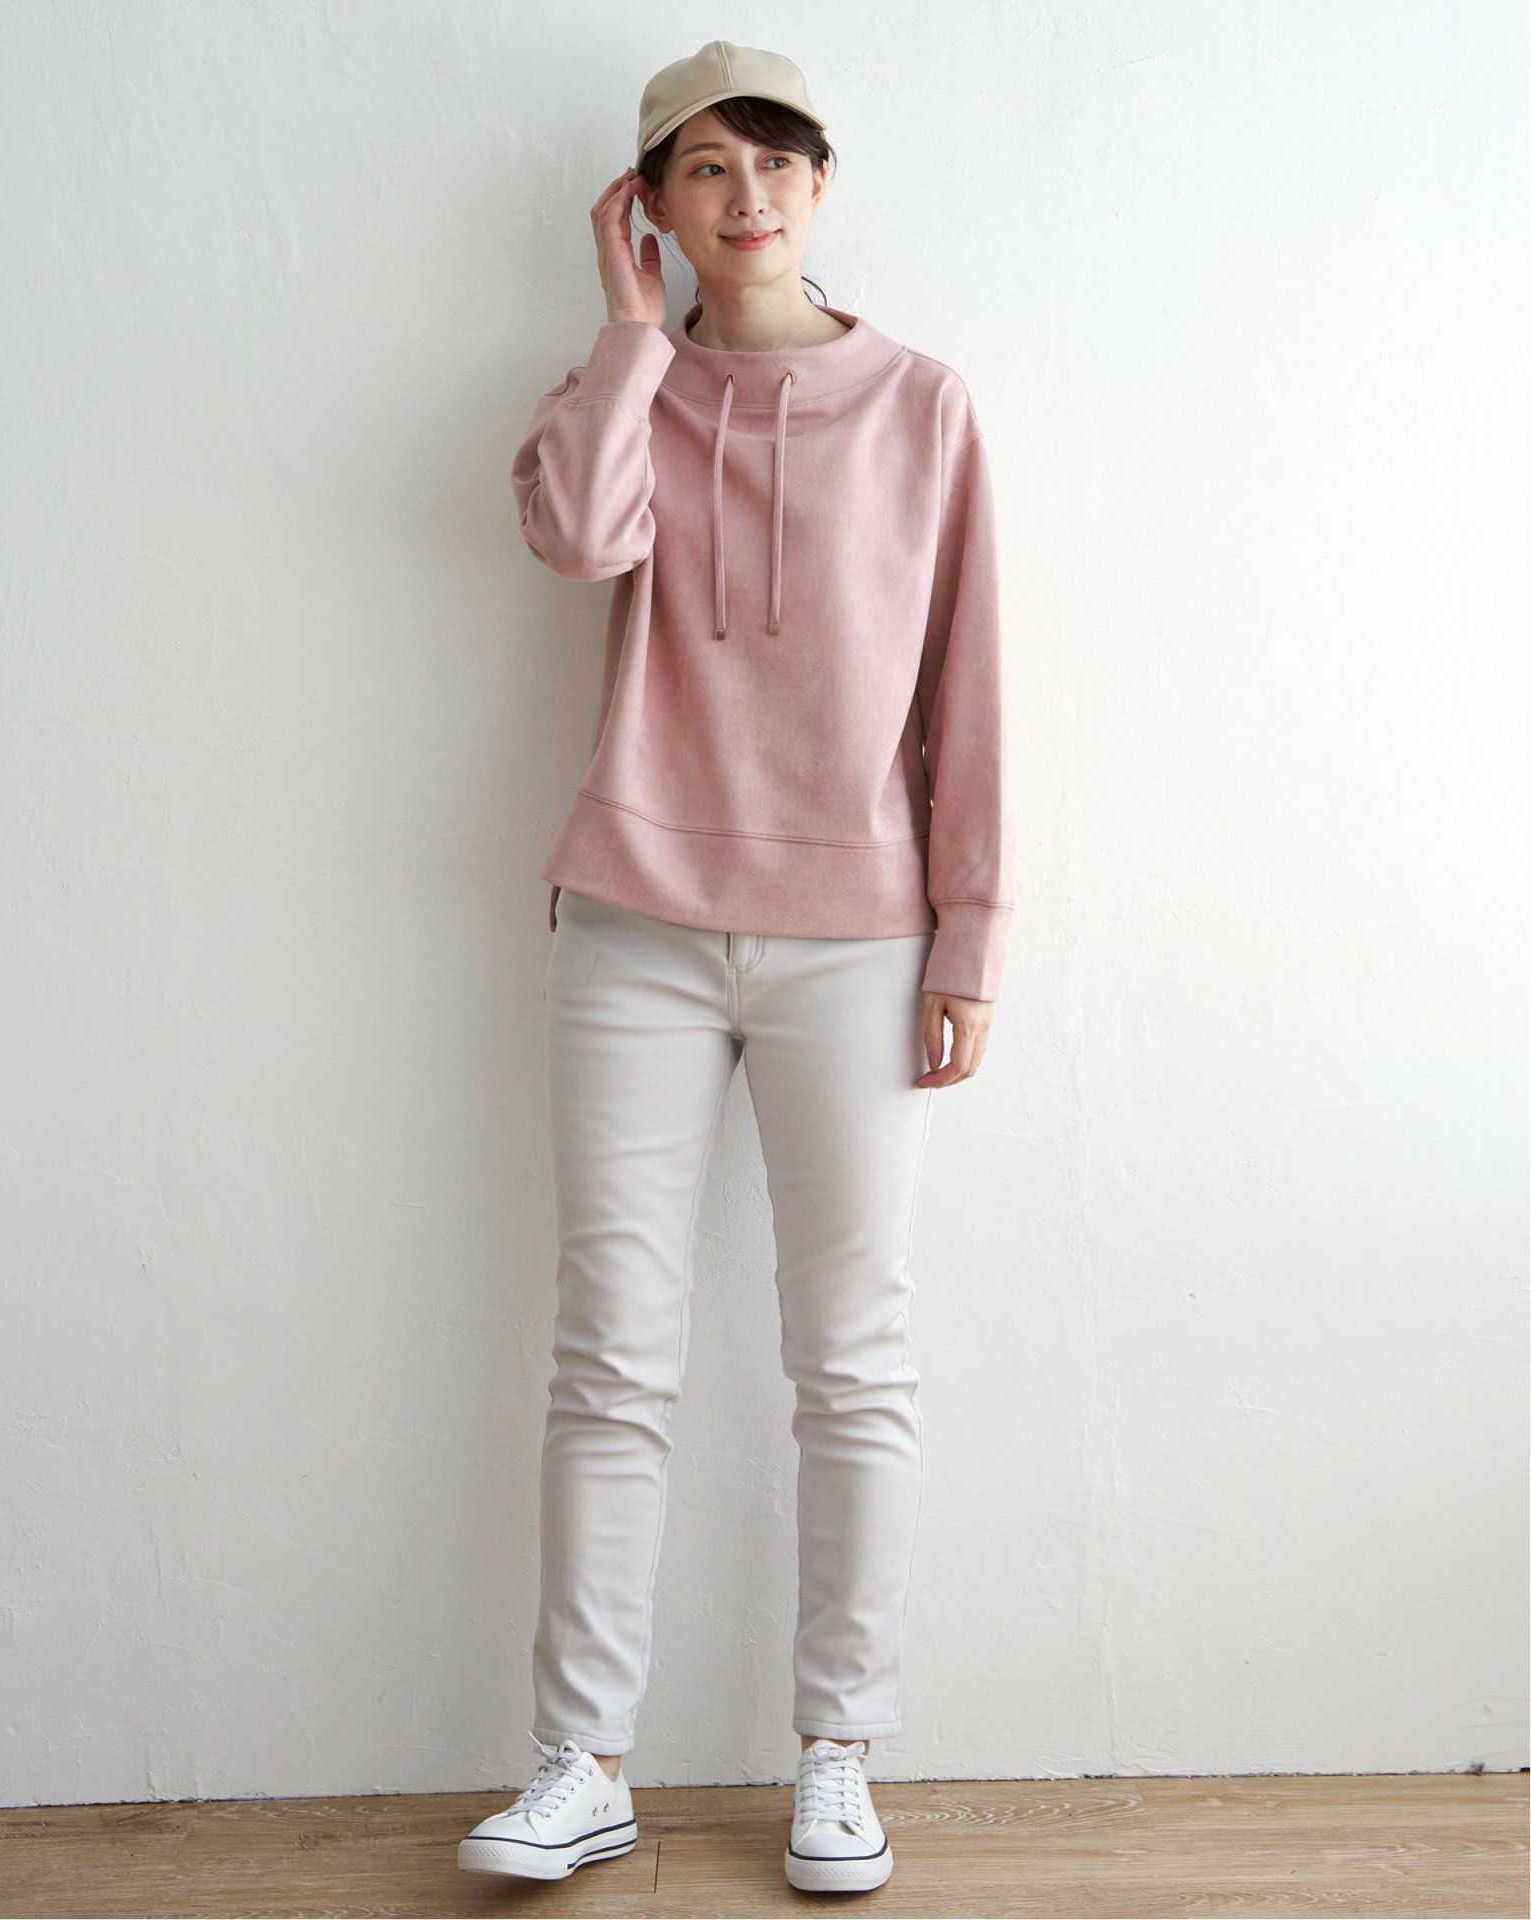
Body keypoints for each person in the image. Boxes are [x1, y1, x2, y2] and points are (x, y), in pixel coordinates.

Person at [458, 40, 1013, 1897]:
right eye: (703, 168)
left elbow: (969, 688)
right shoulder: (615, 391)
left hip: (860, 937)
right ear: (651, 206)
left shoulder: (924, 405)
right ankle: (584, 1761)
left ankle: (838, 1755)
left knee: (853, 1362)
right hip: (632, 921)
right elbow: (575, 538)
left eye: (776, 160)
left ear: (823, 182)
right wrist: (632, 337)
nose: (748, 195)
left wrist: (970, 929)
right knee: (610, 1355)